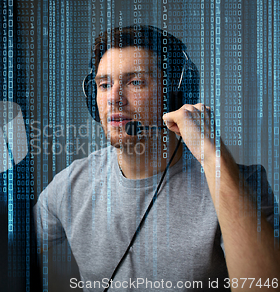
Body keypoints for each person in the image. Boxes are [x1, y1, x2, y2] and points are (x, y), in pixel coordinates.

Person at [34, 25, 278, 291]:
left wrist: (212, 156)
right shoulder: (70, 185)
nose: (114, 98)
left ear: (176, 94)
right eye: (105, 84)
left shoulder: (240, 184)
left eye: (135, 81)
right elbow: (4, 255)